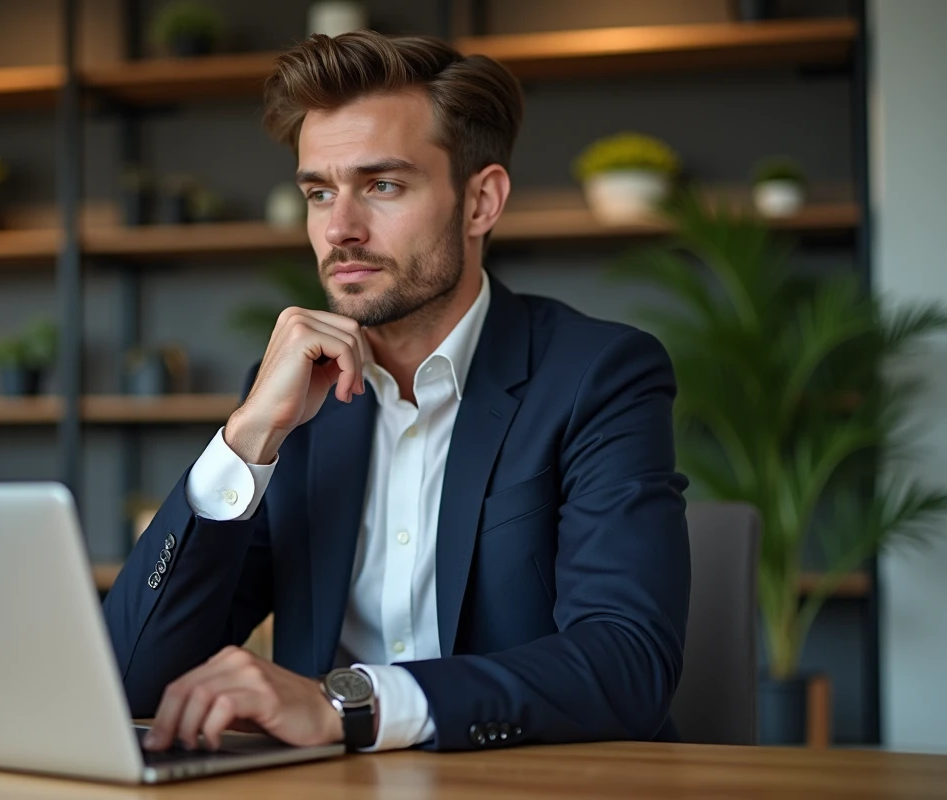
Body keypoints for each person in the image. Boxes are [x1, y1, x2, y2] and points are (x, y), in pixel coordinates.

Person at [103, 30, 690, 754]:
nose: (340, 229)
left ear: (480, 202)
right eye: (320, 192)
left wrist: (351, 704)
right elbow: (132, 678)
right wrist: (247, 439)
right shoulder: (290, 399)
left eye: (382, 185)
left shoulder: (599, 375)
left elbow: (628, 662)